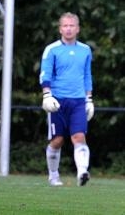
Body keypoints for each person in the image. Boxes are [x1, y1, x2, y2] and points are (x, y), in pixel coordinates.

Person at [40, 12, 94, 187]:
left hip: (78, 100)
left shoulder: (85, 50)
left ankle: (82, 173)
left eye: (72, 25)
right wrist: (47, 94)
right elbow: (45, 74)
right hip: (57, 101)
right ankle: (53, 175)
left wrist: (89, 99)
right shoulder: (52, 49)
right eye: (65, 25)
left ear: (77, 29)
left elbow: (87, 75)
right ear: (60, 28)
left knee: (79, 137)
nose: (68, 29)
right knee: (58, 140)